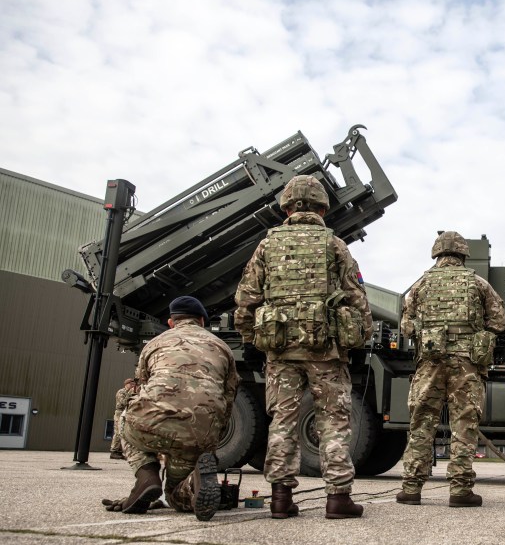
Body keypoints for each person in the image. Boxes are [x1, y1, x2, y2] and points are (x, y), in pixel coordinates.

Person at [234, 174, 372, 520]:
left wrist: (253, 339)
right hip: (325, 351)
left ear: (286, 207)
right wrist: (359, 337)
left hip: (280, 351)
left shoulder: (267, 246)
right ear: (322, 207)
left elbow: (246, 299)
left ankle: (280, 498)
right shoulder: (334, 244)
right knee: (333, 421)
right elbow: (358, 300)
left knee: (283, 421)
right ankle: (338, 499)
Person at [396, 231, 505, 507]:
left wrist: (427, 332)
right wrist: (479, 334)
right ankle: (460, 491)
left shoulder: (420, 285)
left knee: (422, 423)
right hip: (466, 365)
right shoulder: (478, 283)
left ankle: (411, 488)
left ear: (437, 254)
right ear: (463, 254)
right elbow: (500, 320)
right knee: (464, 426)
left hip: (430, 364)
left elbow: (406, 325)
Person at [103, 296, 239, 521]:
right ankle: (192, 486)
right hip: (198, 435)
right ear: (202, 321)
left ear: (171, 322)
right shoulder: (222, 347)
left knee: (126, 416)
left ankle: (147, 475)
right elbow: (228, 396)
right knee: (175, 495)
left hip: (150, 425)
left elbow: (142, 387)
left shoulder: (155, 343)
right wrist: (211, 440)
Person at [108, 378, 138, 460]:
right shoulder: (121, 392)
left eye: (134, 384)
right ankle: (114, 451)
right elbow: (123, 403)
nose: (133, 386)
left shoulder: (132, 392)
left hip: (127, 413)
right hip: (120, 413)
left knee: (124, 433)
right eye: (131, 384)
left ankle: (120, 452)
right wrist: (130, 393)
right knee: (118, 432)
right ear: (126, 384)